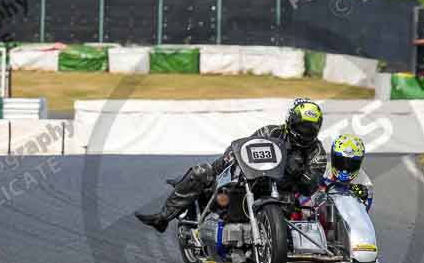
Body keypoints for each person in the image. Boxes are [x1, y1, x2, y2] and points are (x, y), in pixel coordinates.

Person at [135, 98, 328, 233]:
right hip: (254, 181)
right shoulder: (270, 132)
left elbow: (309, 187)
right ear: (291, 121)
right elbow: (245, 149)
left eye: (311, 127)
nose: (306, 131)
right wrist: (226, 162)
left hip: (285, 197)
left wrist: (296, 173)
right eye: (302, 125)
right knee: (203, 171)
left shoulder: (317, 152)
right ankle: (163, 217)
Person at [318, 134, 373, 210]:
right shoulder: (321, 170)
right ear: (333, 158)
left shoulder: (365, 183)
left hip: (345, 216)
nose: (345, 169)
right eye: (341, 162)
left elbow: (363, 213)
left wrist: (363, 197)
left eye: (352, 163)